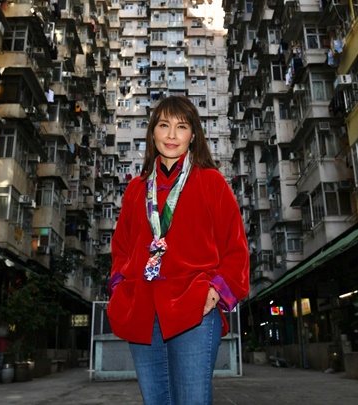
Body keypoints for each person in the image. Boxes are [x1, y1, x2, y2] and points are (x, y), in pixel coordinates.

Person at [107, 96, 250, 405]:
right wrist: (120, 286)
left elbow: (235, 247)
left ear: (193, 135)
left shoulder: (211, 181)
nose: (172, 135)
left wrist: (216, 291)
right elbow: (120, 247)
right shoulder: (136, 189)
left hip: (193, 307)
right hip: (142, 309)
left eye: (181, 127)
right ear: (152, 133)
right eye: (164, 125)